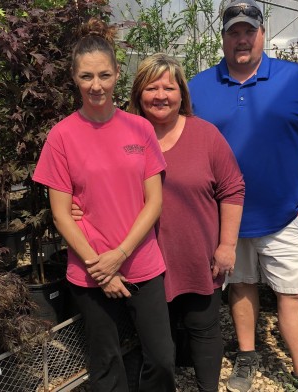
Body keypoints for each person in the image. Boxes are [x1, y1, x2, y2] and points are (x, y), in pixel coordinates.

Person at [188, 1, 298, 391]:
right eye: (233, 32)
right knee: (240, 285)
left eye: (248, 31)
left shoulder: (295, 79)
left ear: (262, 34)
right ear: (223, 37)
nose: (241, 39)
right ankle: (246, 356)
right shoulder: (198, 86)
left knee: (292, 293)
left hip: (283, 215)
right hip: (225, 219)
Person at [74, 53, 245, 392]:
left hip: (194, 254)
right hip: (138, 259)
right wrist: (77, 208)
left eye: (169, 87)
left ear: (182, 93)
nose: (161, 95)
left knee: (203, 327)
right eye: (152, 87)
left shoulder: (205, 135)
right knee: (152, 341)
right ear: (138, 93)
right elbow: (93, 181)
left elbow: (233, 188)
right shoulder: (121, 133)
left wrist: (227, 245)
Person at [32, 19, 176, 392]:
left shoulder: (139, 129)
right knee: (106, 361)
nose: (96, 85)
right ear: (74, 78)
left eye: (104, 75)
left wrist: (122, 253)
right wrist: (103, 269)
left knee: (162, 357)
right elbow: (62, 214)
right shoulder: (62, 136)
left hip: (142, 262)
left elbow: (154, 200)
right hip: (90, 270)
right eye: (86, 76)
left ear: (116, 75)